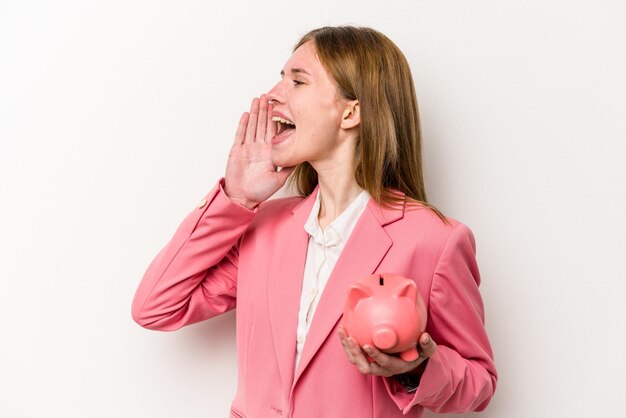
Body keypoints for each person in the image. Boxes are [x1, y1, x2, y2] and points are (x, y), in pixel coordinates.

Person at [132, 25, 497, 418]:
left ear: (351, 111)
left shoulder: (433, 240)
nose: (272, 95)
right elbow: (156, 307)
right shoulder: (264, 226)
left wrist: (416, 369)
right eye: (280, 79)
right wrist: (236, 199)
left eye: (298, 81)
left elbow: (479, 383)